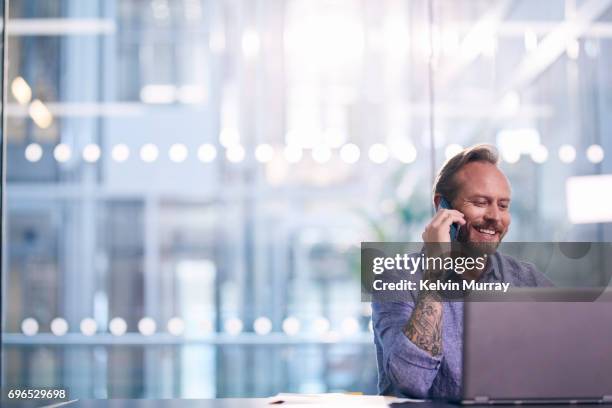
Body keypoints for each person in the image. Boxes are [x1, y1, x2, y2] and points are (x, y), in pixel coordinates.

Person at [372, 144, 552, 399]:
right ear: (442, 206)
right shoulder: (396, 279)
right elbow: (411, 383)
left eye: (503, 205)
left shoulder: (526, 280)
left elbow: (570, 362)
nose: (494, 217)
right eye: (480, 202)